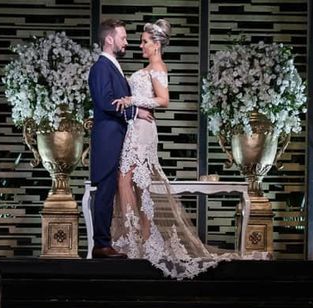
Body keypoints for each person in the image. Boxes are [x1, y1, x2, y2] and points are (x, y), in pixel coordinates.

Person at [109, 20, 263, 280]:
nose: (141, 45)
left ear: (156, 45)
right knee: (132, 182)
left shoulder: (158, 67)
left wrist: (133, 100)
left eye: (145, 41)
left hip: (144, 132)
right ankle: (137, 240)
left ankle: (139, 241)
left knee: (131, 180)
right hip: (135, 127)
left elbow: (164, 100)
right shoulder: (148, 68)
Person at [89, 19, 154, 259]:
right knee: (105, 190)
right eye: (123, 37)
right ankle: (101, 245)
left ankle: (109, 242)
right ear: (109, 39)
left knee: (112, 190)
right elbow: (105, 101)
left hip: (120, 137)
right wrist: (135, 112)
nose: (126, 42)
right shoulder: (101, 68)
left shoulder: (113, 66)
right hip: (108, 138)